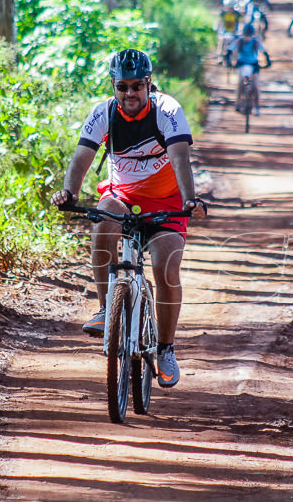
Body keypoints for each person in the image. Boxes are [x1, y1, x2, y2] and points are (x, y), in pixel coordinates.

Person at [51, 49, 208, 389]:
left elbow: (180, 157)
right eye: (122, 87)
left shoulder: (168, 110)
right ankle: (107, 309)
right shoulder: (103, 113)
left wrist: (189, 200)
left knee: (166, 269)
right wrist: (69, 193)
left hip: (167, 203)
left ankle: (166, 348)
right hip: (124, 198)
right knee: (103, 217)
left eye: (138, 86)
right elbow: (81, 158)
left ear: (149, 85)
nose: (130, 94)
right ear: (114, 87)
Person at [226, 23, 271, 116]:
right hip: (242, 64)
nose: (248, 38)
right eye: (246, 35)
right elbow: (230, 50)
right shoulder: (239, 41)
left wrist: (268, 60)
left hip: (254, 65)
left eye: (249, 35)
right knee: (240, 84)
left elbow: (263, 51)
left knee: (256, 87)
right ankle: (238, 104)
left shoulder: (256, 41)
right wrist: (228, 60)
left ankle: (257, 107)